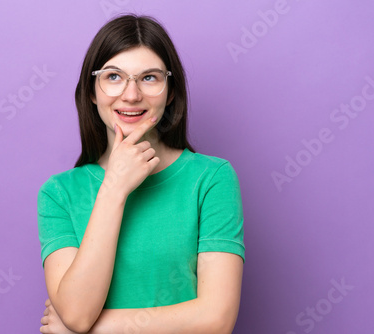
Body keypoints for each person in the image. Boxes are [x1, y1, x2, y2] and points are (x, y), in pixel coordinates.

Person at [37, 14, 245, 334]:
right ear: (92, 92)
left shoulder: (211, 178)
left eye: (149, 78)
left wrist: (96, 329)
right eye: (114, 77)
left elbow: (216, 319)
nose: (131, 95)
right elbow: (77, 313)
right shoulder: (59, 193)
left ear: (170, 91)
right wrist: (115, 187)